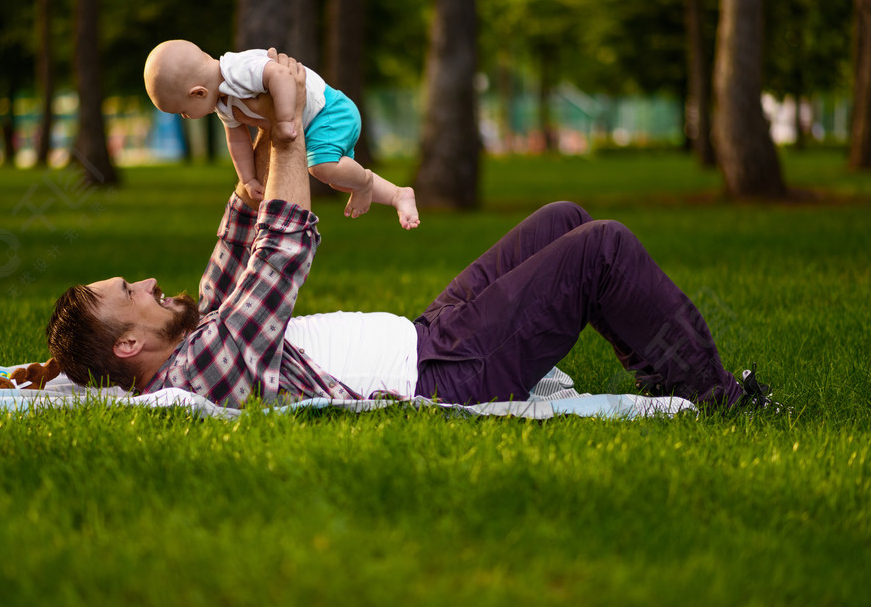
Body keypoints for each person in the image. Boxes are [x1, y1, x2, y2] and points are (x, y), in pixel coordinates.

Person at [47, 51, 776, 413]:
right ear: (129, 346)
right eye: (129, 293)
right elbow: (279, 253)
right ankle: (710, 396)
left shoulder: (196, 332)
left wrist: (257, 148)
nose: (144, 280)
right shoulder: (195, 374)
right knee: (603, 247)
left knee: (565, 219)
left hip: (429, 334)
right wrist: (294, 129)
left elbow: (241, 241)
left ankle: (666, 359)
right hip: (448, 375)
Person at [143, 40, 420, 230]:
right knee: (337, 178)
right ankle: (398, 195)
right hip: (318, 122)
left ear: (198, 92)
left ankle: (365, 184)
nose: (186, 117)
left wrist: (287, 118)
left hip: (330, 109)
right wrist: (248, 178)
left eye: (182, 111)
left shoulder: (237, 70)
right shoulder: (222, 101)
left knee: (322, 168)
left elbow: (281, 75)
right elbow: (236, 139)